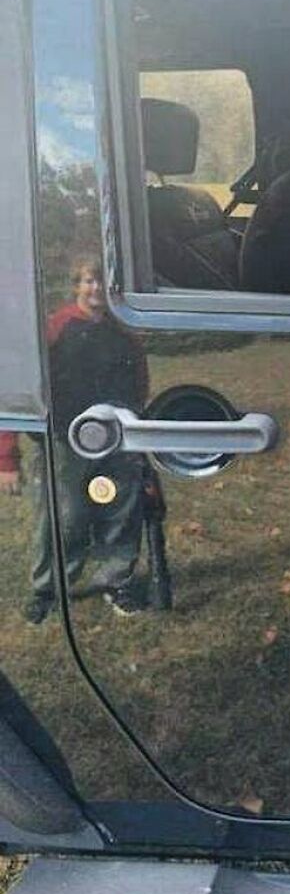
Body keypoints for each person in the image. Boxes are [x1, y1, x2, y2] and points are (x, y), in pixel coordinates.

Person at [0, 257, 149, 624]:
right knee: (64, 517)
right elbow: (19, 389)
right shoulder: (55, 329)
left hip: (117, 438)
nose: (96, 288)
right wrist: (6, 457)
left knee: (121, 513)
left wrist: (136, 428)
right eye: (88, 280)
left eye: (103, 281)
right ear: (76, 286)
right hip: (64, 441)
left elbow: (139, 385)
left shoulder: (125, 333)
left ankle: (117, 581)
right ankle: (48, 589)